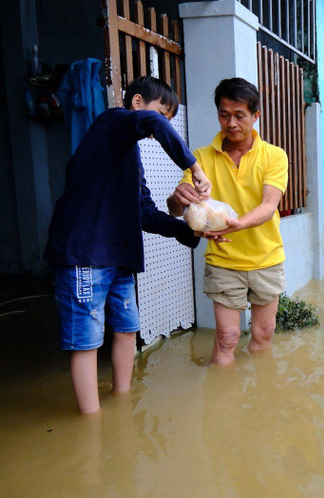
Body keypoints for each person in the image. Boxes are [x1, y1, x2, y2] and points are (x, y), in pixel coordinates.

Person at [45, 76, 212, 414]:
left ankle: (121, 403)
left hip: (119, 258)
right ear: (137, 103)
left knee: (126, 329)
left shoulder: (130, 155)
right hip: (85, 253)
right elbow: (150, 122)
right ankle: (90, 422)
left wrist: (192, 232)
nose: (162, 126)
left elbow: (146, 213)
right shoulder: (113, 122)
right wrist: (192, 166)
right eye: (163, 115)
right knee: (86, 342)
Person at [167, 77, 289, 365]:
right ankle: (223, 404)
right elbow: (177, 212)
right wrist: (178, 197)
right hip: (223, 261)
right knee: (227, 337)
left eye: (239, 115)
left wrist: (239, 224)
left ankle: (261, 401)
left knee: (264, 333)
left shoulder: (274, 156)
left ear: (255, 116)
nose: (231, 123)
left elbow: (269, 205)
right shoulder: (200, 158)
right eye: (224, 114)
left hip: (266, 258)